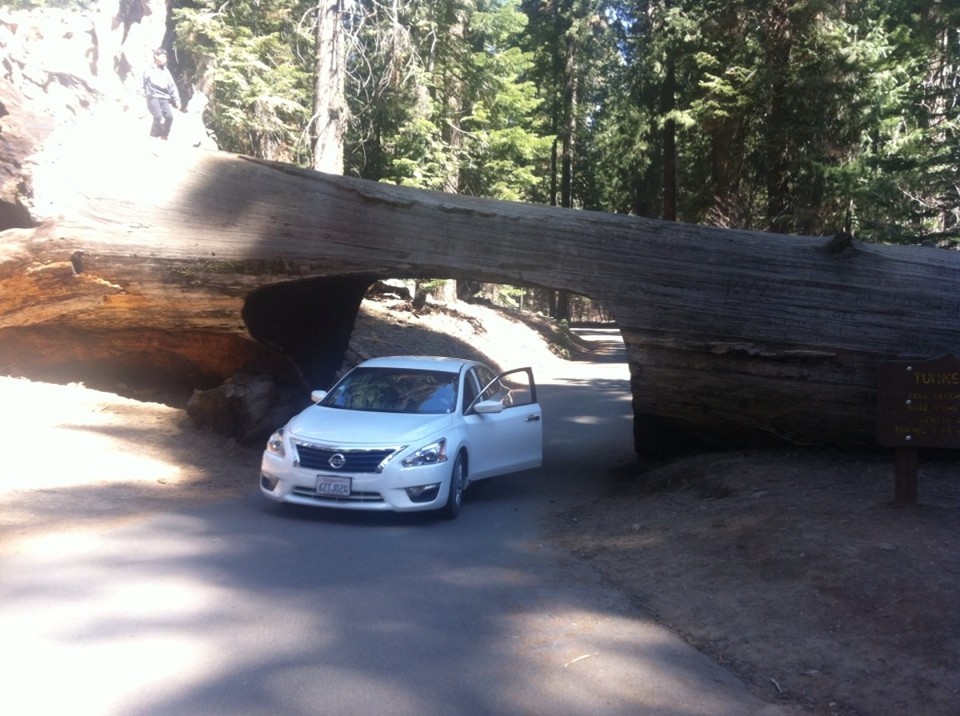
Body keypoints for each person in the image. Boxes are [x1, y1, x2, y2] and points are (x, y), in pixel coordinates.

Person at [141, 48, 181, 140]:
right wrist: (142, 93)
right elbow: (141, 82)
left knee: (169, 117)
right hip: (153, 96)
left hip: (164, 98)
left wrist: (177, 99)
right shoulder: (148, 69)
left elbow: (172, 86)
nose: (165, 59)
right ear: (156, 56)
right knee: (158, 116)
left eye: (165, 57)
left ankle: (164, 135)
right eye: (163, 56)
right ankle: (153, 136)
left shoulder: (166, 71)